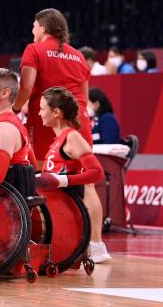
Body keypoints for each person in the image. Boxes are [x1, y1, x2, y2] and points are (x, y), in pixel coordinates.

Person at [11, 9, 106, 258]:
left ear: (43, 27)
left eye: (34, 25)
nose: (32, 30)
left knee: (43, 178)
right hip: (79, 119)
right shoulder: (78, 56)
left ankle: (56, 242)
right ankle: (96, 246)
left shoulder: (34, 50)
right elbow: (83, 99)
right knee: (88, 184)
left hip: (47, 120)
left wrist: (15, 108)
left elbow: (28, 86)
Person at [34, 87, 109, 263]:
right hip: (54, 208)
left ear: (56, 112)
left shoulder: (72, 137)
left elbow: (97, 173)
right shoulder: (58, 140)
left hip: (65, 210)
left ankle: (95, 246)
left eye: (42, 108)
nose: (38, 113)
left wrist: (63, 180)